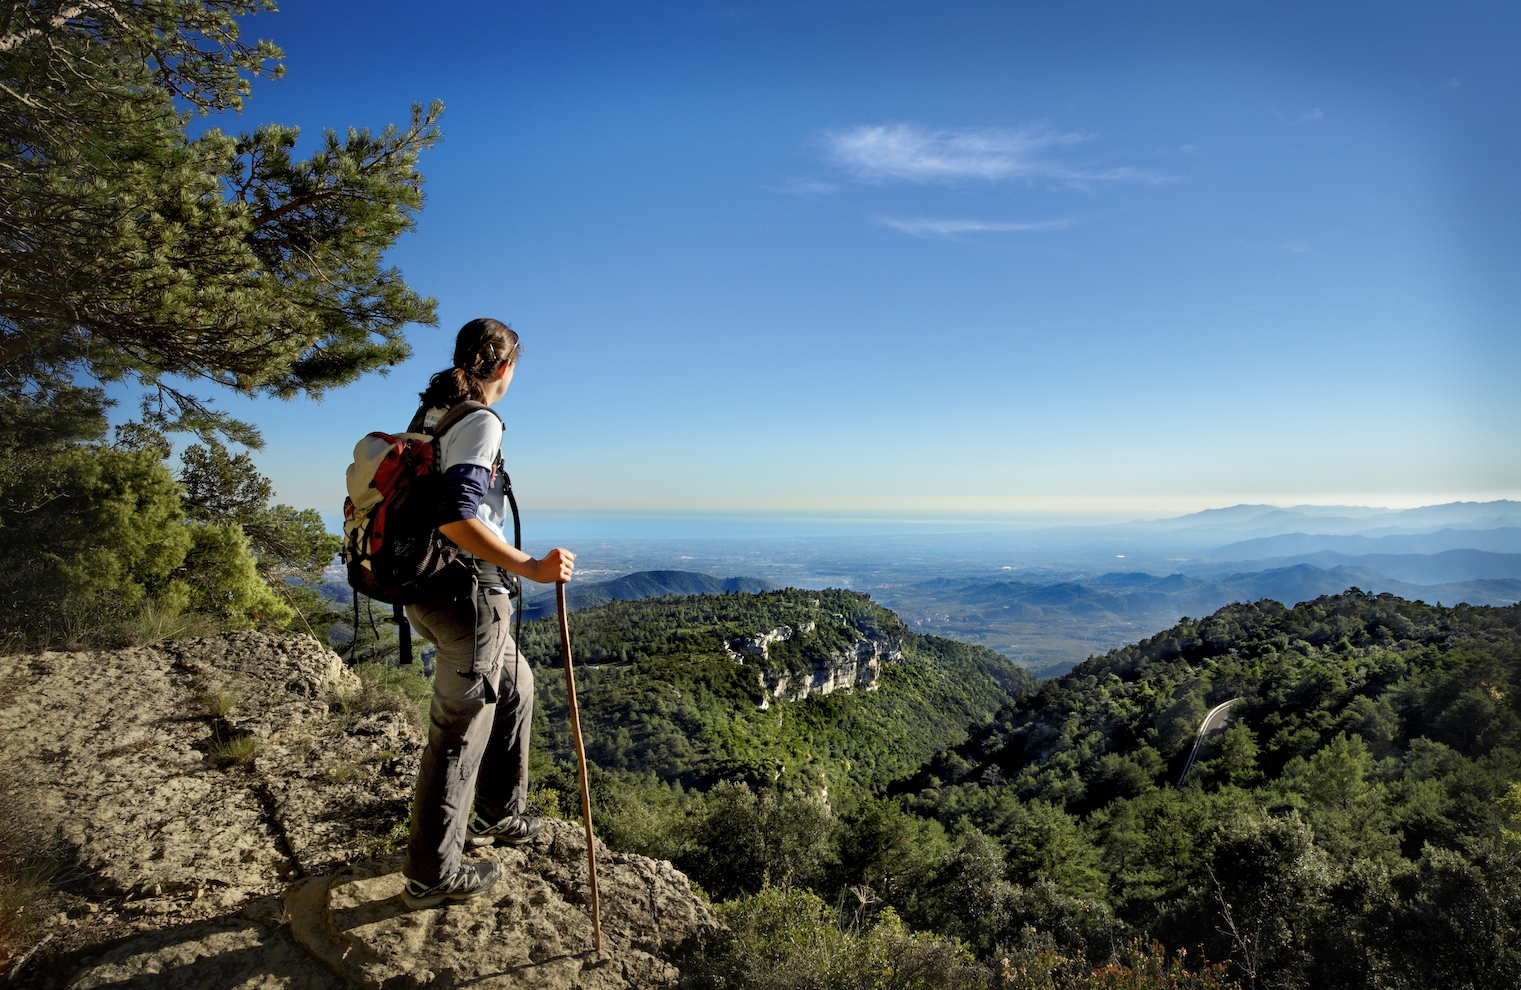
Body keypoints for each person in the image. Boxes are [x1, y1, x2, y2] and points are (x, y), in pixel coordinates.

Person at [398, 317, 576, 910]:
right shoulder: (479, 420)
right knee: (458, 732)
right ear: (504, 368)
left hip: (424, 591)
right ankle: (433, 872)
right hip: (466, 597)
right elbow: (456, 515)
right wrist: (531, 567)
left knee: (517, 684)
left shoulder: (430, 417)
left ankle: (499, 814)